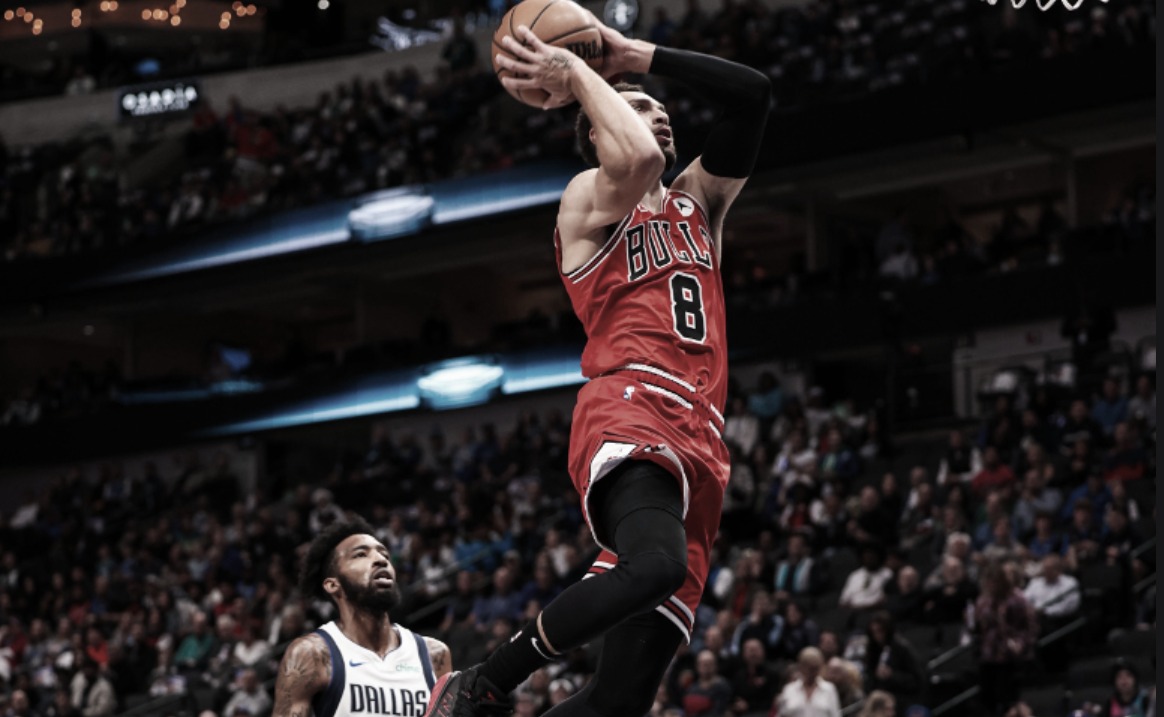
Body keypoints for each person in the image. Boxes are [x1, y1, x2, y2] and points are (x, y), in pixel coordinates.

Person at [428, 11, 770, 717]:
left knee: (619, 700)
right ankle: (484, 680)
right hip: (632, 402)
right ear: (595, 127)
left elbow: (754, 95)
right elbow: (637, 158)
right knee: (657, 564)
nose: (659, 117)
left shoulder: (699, 204)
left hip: (704, 435)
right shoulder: (586, 199)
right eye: (640, 106)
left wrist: (635, 54)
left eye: (662, 109)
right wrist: (579, 74)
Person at [272, 519, 452, 717]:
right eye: (360, 555)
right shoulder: (311, 654)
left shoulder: (434, 654)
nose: (381, 560)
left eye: (384, 554)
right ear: (333, 585)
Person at [775, 647, 841, 717]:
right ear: (801, 667)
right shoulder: (789, 689)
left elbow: (835, 715)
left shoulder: (829, 689)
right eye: (809, 668)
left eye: (815, 668)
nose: (812, 672)